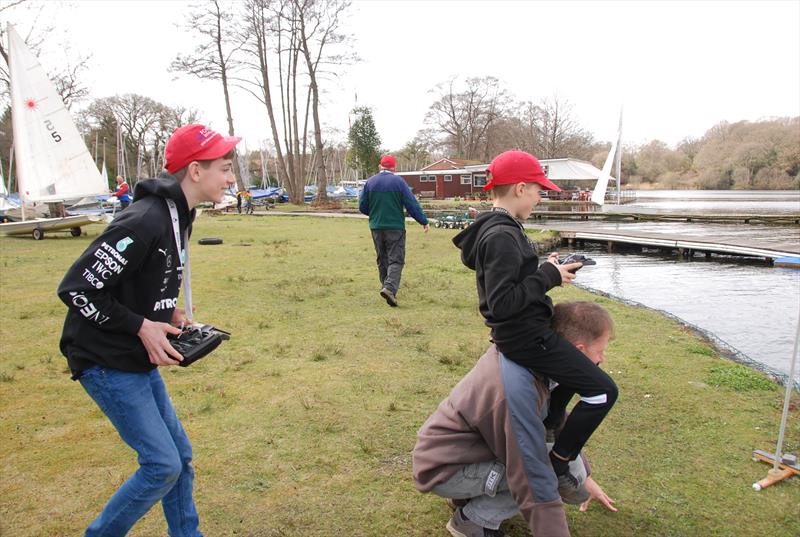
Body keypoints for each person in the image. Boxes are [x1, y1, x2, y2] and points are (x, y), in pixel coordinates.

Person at [57, 124, 240, 536]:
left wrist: (164, 311)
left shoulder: (179, 214)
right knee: (162, 465)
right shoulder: (143, 219)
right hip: (104, 360)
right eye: (225, 168)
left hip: (134, 359)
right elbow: (77, 289)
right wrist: (141, 325)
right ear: (195, 171)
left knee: (180, 456)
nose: (231, 179)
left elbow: (135, 282)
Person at [452, 150, 618, 503]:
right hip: (525, 338)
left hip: (526, 333)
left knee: (579, 376)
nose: (541, 197)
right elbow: (502, 303)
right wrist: (547, 276)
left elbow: (510, 279)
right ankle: (559, 463)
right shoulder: (500, 235)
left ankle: (551, 424)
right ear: (521, 188)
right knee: (603, 391)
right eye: (539, 190)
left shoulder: (502, 230)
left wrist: (548, 268)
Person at [412, 301, 617, 537]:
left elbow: (551, 421)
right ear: (579, 351)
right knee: (550, 473)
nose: (603, 358)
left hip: (461, 456)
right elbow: (530, 472)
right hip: (445, 469)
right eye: (600, 351)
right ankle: (472, 521)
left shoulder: (531, 358)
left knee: (573, 473)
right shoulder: (517, 389)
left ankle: (466, 496)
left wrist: (585, 477)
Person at [358, 154, 430, 307]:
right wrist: (423, 221)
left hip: (376, 227)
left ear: (380, 166)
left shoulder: (369, 182)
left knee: (382, 258)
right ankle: (389, 288)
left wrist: (375, 214)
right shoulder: (399, 182)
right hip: (395, 226)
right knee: (396, 259)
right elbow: (411, 204)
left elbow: (362, 206)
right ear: (394, 167)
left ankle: (386, 287)